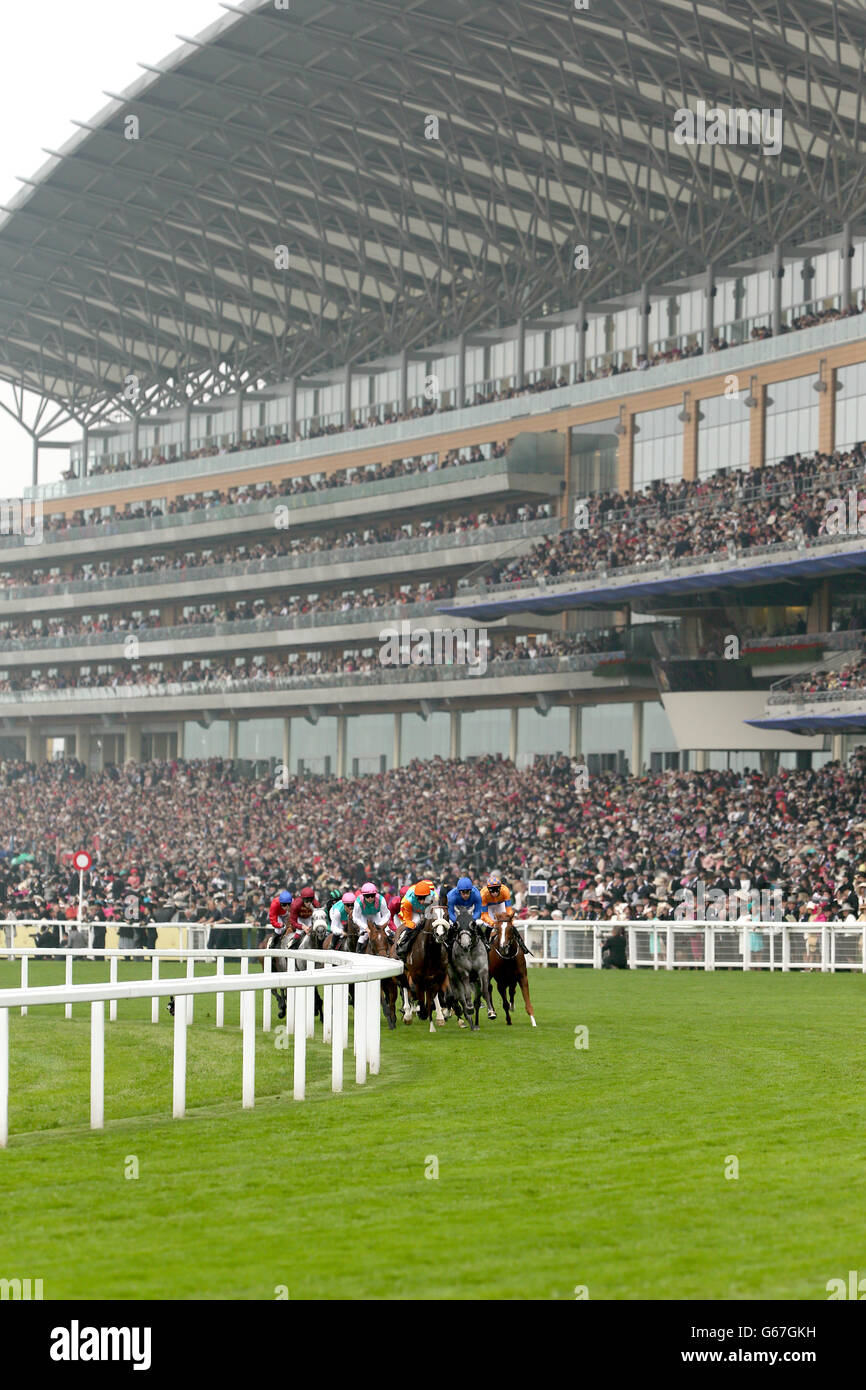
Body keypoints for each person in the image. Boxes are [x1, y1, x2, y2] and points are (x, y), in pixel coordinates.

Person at [481, 874, 531, 955]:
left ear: (500, 888)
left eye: (497, 889)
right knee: (488, 925)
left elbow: (509, 910)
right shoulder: (483, 894)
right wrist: (493, 923)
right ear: (488, 889)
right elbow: (484, 915)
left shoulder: (505, 890)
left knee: (508, 924)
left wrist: (510, 920)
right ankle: (485, 945)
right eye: (492, 890)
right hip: (489, 906)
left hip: (500, 904)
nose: (494, 892)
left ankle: (522, 945)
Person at [395, 880, 437, 959]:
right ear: (415, 896)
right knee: (415, 923)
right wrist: (413, 924)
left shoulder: (434, 897)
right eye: (419, 898)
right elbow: (407, 919)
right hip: (413, 911)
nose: (422, 901)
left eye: (424, 898)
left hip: (427, 909)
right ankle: (403, 943)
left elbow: (434, 912)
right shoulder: (407, 901)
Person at [352, 881, 392, 947]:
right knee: (364, 936)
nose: (370, 898)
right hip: (364, 917)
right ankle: (359, 951)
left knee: (387, 932)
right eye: (367, 896)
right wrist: (365, 927)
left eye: (372, 895)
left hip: (376, 915)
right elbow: (356, 918)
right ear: (363, 896)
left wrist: (380, 925)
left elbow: (386, 914)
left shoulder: (381, 900)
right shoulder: (358, 902)